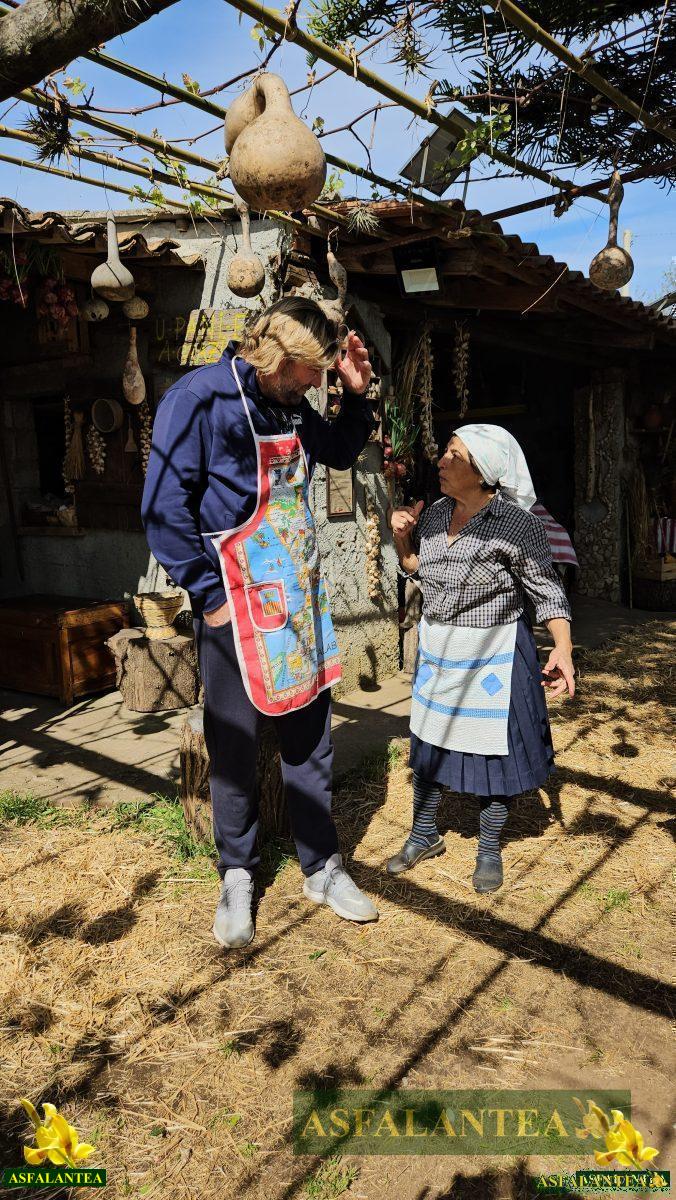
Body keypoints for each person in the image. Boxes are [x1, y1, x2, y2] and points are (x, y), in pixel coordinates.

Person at [142, 297, 379, 948]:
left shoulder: (289, 403)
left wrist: (357, 397)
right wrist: (209, 596)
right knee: (235, 746)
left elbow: (336, 451)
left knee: (311, 736)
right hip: (235, 602)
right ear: (276, 356)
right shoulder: (198, 401)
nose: (317, 382)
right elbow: (163, 510)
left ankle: (322, 867)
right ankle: (238, 874)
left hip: (297, 598)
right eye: (312, 370)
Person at [387, 424, 575, 893]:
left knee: (494, 752)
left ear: (484, 470)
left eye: (454, 454)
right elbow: (416, 569)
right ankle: (424, 833)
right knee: (429, 744)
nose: (441, 461)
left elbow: (547, 592)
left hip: (493, 654)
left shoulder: (518, 525)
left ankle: (489, 848)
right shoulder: (435, 515)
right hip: (440, 652)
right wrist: (403, 538)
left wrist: (564, 647)